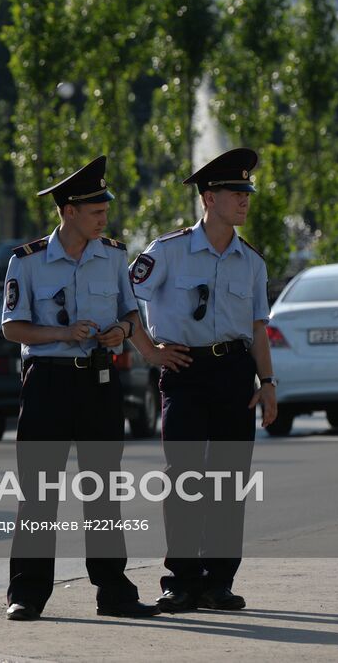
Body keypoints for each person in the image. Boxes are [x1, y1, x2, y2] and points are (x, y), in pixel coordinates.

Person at [2, 155, 192, 622]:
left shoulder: (111, 255)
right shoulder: (25, 262)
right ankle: (27, 592)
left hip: (100, 382)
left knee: (104, 490)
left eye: (104, 209)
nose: (104, 216)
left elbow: (131, 313)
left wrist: (122, 333)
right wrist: (63, 334)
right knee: (39, 491)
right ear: (68, 211)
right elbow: (13, 328)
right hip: (48, 382)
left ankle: (114, 591)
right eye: (95, 210)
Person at [129, 147, 277, 613]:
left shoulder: (251, 262)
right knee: (184, 478)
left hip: (234, 373)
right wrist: (149, 351)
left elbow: (257, 328)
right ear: (209, 198)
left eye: (247, 192)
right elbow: (124, 297)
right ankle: (181, 580)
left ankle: (219, 581)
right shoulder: (167, 251)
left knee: (230, 481)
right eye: (237, 192)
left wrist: (268, 382)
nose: (245, 201)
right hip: (185, 371)